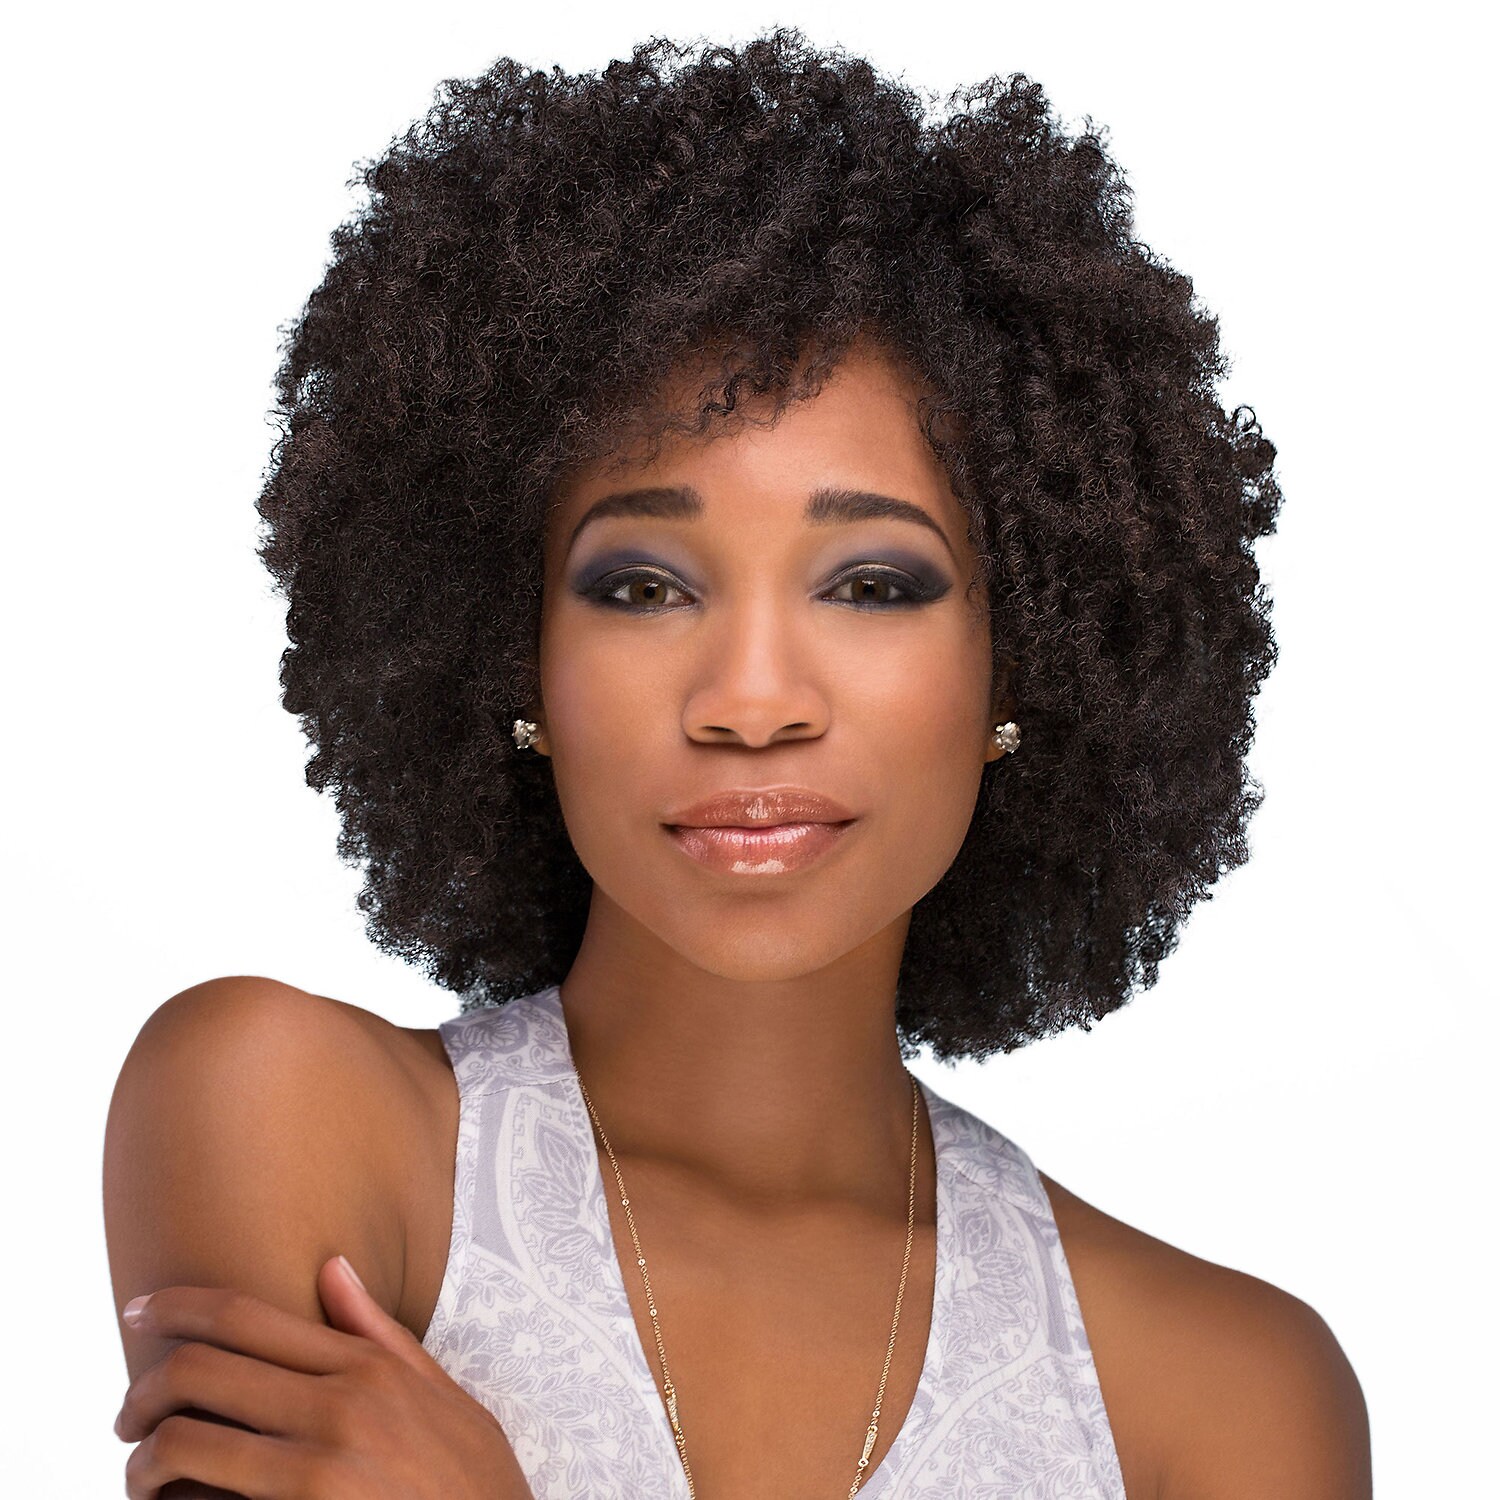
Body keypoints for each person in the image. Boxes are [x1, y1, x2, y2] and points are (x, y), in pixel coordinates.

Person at [103, 27, 1371, 1500]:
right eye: (642, 586)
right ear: (514, 652)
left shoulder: (1230, 1395)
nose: (752, 703)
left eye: (873, 585)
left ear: (1023, 663)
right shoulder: (285, 1111)